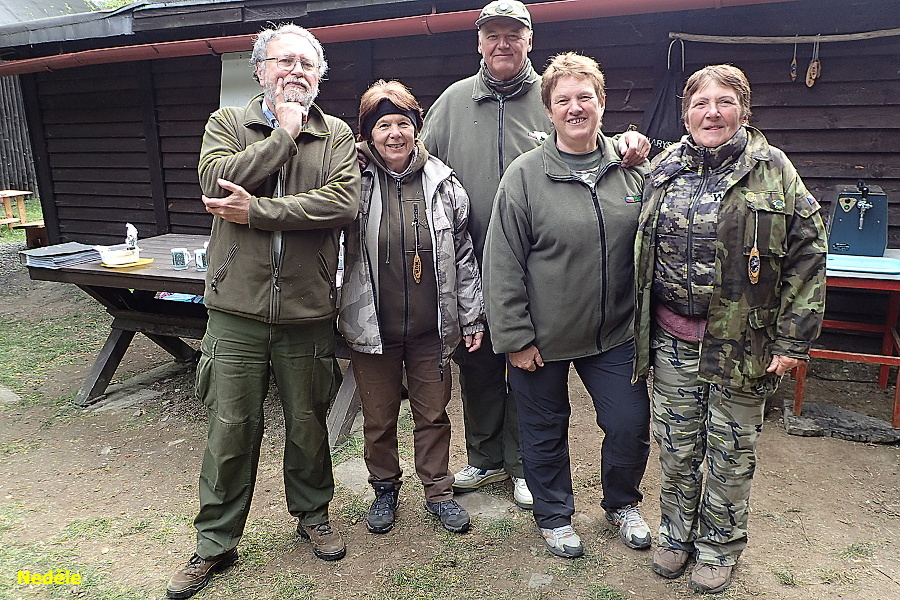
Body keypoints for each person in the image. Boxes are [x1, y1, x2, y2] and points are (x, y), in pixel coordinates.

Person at [420, 0, 649, 510]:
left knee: (529, 369)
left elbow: (592, 148)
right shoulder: (453, 103)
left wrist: (631, 145)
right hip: (466, 260)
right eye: (493, 35)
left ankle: (524, 463)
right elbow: (418, 161)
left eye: (513, 35)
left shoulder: (549, 97)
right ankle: (484, 457)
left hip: (542, 266)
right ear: (478, 42)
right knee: (478, 365)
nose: (503, 44)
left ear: (529, 41)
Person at [166, 24, 360, 599]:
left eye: (308, 64)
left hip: (307, 311)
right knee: (230, 428)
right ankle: (214, 543)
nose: (297, 71)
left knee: (308, 424)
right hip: (237, 311)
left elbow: (342, 204)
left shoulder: (339, 135)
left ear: (320, 76)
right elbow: (214, 181)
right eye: (286, 61)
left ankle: (312, 516)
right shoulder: (227, 124)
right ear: (260, 70)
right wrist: (283, 136)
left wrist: (260, 212)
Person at [634, 64, 827, 594]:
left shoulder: (774, 170)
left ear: (744, 108)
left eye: (724, 102)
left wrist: (793, 341)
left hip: (744, 343)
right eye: (700, 103)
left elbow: (809, 254)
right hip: (673, 338)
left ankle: (719, 546)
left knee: (731, 451)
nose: (711, 112)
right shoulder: (664, 167)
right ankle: (676, 534)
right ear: (685, 112)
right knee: (676, 447)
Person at [483, 52, 652, 559]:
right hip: (543, 338)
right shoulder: (524, 176)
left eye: (585, 97)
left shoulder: (630, 171)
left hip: (614, 334)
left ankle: (622, 503)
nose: (575, 108)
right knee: (543, 430)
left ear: (602, 103)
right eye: (563, 100)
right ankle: (554, 515)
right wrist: (514, 339)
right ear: (549, 111)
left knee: (629, 424)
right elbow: (503, 261)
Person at [338, 80, 485, 535]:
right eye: (383, 125)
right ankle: (384, 488)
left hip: (431, 328)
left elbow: (463, 255)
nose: (394, 134)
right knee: (379, 418)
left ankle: (438, 490)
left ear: (416, 129)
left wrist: (472, 314)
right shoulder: (350, 182)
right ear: (367, 134)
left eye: (403, 123)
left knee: (433, 414)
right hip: (371, 327)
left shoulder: (444, 183)